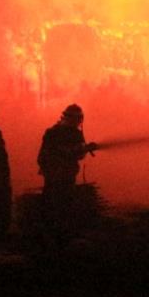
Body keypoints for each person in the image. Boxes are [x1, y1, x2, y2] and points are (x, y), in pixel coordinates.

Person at [36, 103, 100, 244]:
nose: (77, 122)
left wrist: (85, 148)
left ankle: (63, 236)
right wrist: (81, 149)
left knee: (66, 204)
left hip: (67, 174)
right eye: (76, 119)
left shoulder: (75, 133)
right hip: (55, 174)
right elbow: (60, 152)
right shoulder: (53, 133)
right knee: (54, 204)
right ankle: (53, 237)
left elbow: (78, 155)